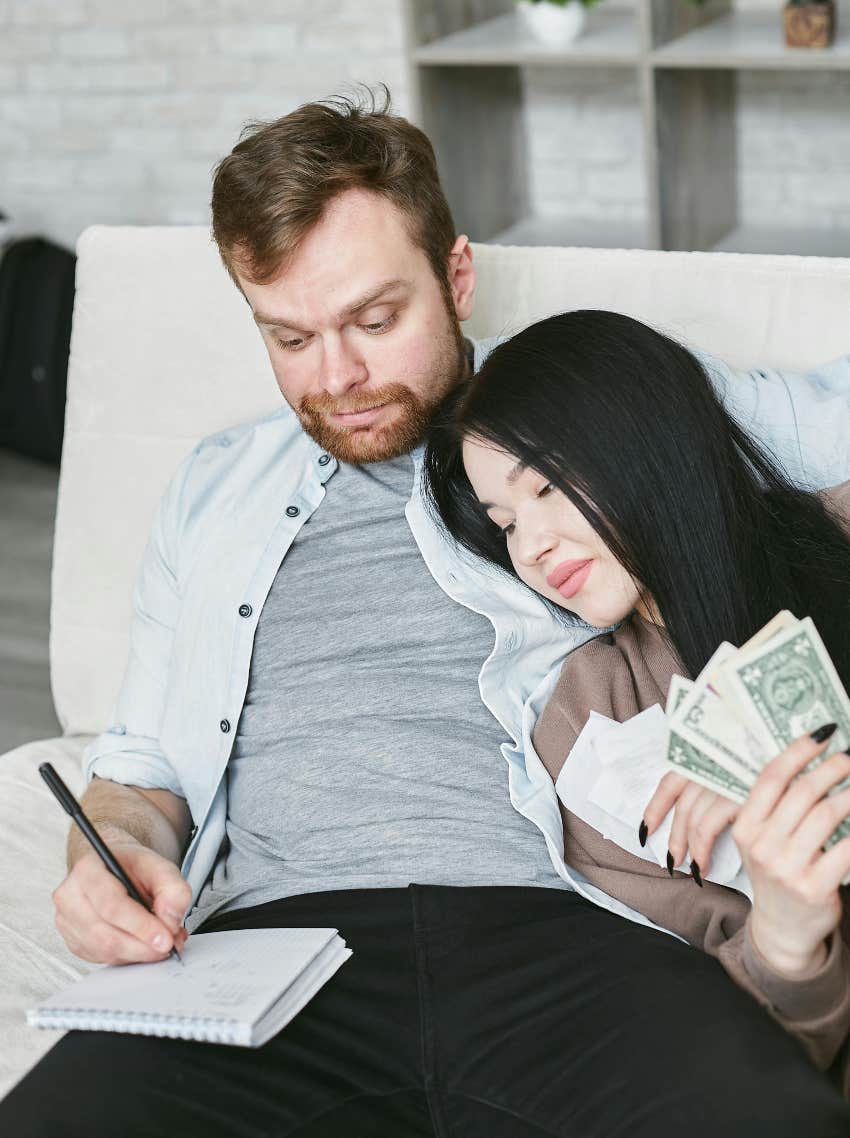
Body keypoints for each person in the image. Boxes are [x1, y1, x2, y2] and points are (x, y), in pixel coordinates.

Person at [4, 89, 850, 1136]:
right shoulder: (211, 491)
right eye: (290, 336)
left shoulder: (584, 406)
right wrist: (114, 852)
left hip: (577, 933)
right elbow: (140, 765)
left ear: (456, 276)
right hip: (274, 951)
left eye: (373, 319)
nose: (339, 376)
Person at [423, 306, 850, 1095]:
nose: (533, 546)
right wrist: (787, 937)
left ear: (649, 435)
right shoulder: (590, 736)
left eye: (546, 484)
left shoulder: (840, 529)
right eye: (505, 523)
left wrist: (798, 726)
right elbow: (706, 1055)